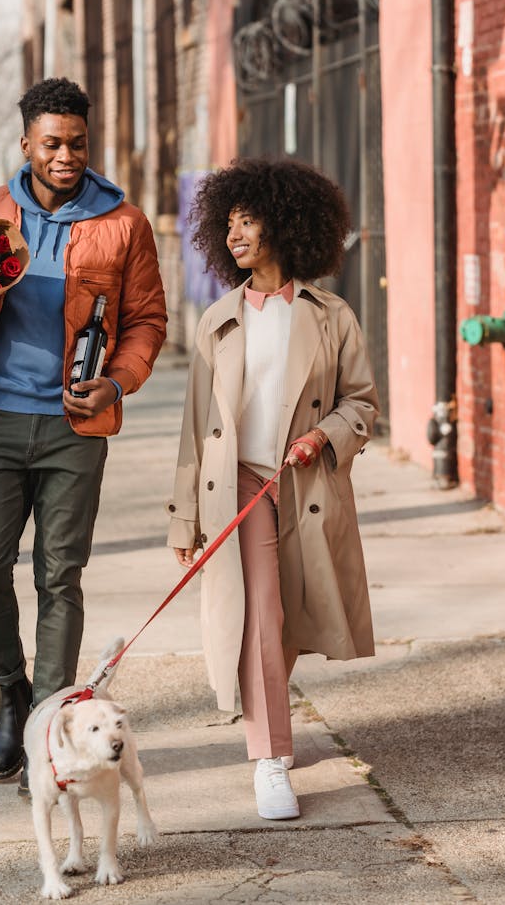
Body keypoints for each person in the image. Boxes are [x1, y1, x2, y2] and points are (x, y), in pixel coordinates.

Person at [0, 76, 167, 792]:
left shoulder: (122, 221)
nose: (66, 155)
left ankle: (49, 718)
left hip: (76, 425)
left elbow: (149, 320)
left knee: (59, 574)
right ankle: (11, 687)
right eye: (52, 142)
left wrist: (117, 381)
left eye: (78, 143)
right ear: (27, 142)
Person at [167, 157, 379, 821]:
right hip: (241, 486)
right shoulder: (217, 321)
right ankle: (269, 758)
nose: (235, 234)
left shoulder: (331, 315)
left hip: (306, 483)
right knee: (259, 613)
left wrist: (325, 436)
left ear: (285, 226)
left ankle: (269, 721)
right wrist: (184, 519)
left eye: (248, 220)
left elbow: (363, 403)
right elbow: (195, 427)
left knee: (284, 616)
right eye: (227, 223)